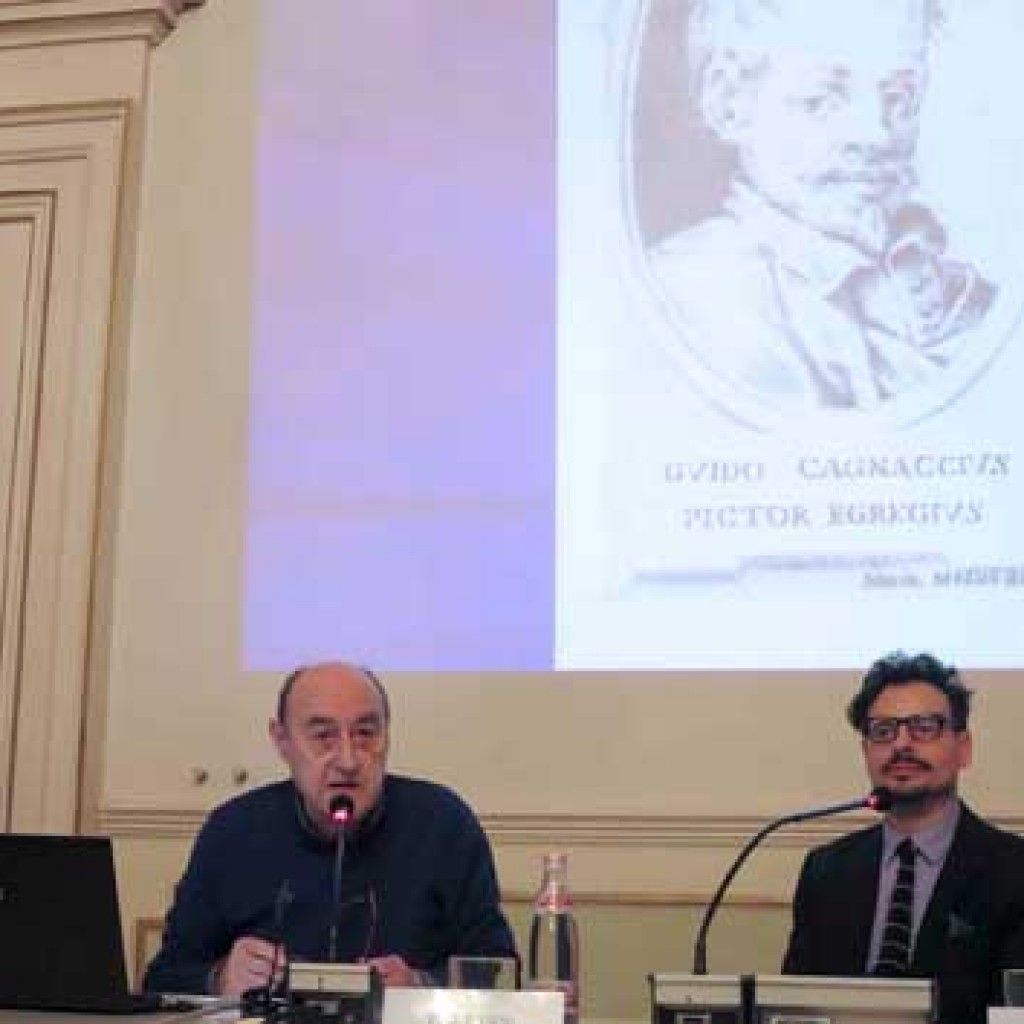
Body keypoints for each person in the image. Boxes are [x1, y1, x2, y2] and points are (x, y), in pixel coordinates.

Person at [647, 0, 994, 411]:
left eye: (898, 98)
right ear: (729, 103)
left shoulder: (958, 297)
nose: (877, 134)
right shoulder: (688, 296)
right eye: (822, 100)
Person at [143, 662, 517, 996]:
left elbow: (501, 974)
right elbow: (164, 977)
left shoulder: (444, 824)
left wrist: (422, 986)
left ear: (388, 736)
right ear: (282, 740)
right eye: (323, 736)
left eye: (365, 733)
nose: (348, 760)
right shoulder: (233, 831)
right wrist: (220, 978)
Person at [782, 652, 1024, 1024]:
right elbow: (794, 1009)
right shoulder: (826, 872)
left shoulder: (1013, 871)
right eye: (883, 731)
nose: (902, 744)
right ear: (866, 751)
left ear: (964, 747)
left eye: (924, 727)